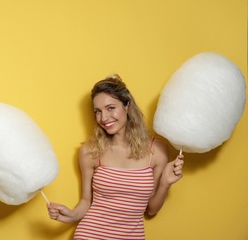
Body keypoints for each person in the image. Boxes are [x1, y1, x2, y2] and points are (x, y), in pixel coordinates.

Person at [47, 74, 184, 240]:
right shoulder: (90, 151)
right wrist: (72, 215)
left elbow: (151, 209)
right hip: (90, 235)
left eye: (110, 108)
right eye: (98, 111)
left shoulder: (157, 150)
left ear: (127, 106)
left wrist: (165, 183)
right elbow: (86, 200)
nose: (104, 118)